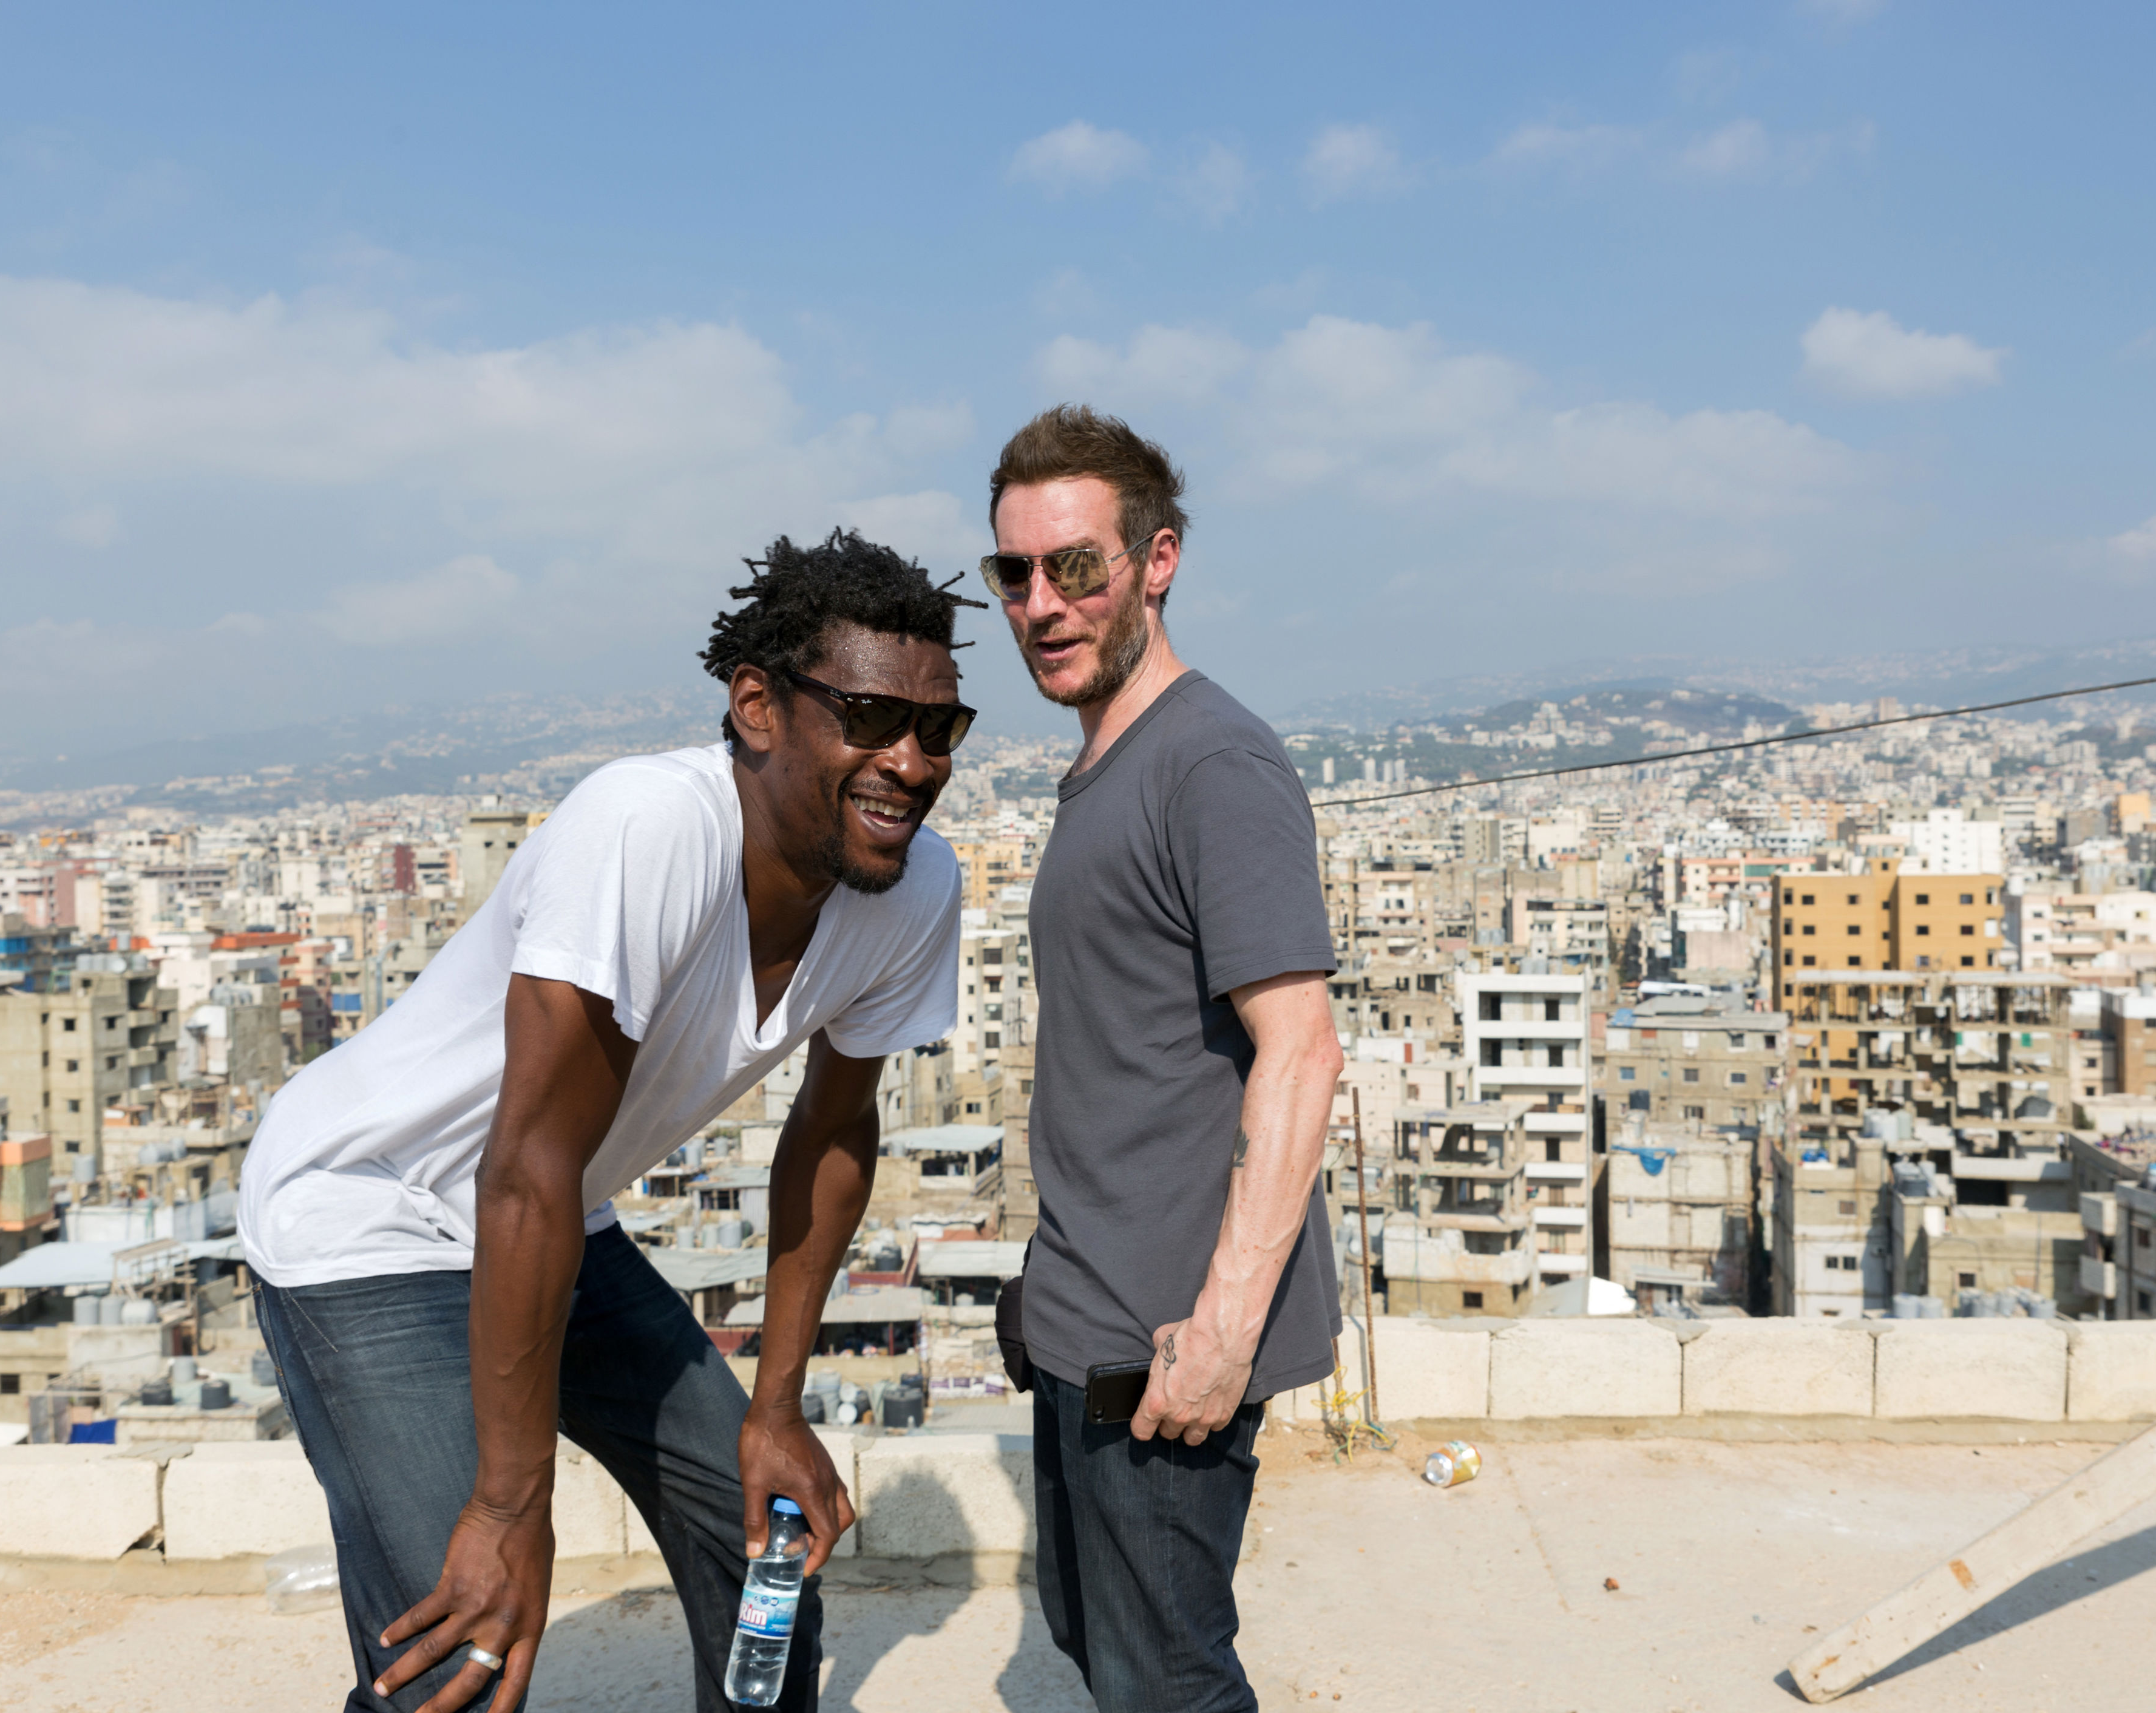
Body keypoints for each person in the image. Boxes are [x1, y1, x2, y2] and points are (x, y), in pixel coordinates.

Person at [240, 529, 982, 1713]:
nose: (910, 761)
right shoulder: (648, 828)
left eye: (937, 728)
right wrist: (508, 1504)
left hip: (551, 1219)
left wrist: (776, 1407)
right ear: (756, 706)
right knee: (461, 1644)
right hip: (367, 1211)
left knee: (763, 1545)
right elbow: (525, 1165)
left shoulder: (914, 886)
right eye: (869, 718)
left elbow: (833, 1133)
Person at [985, 406, 1346, 1711]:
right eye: (1014, 572)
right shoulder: (1112, 763)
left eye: (1076, 564)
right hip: (1091, 1318)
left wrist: (1224, 1331)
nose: (1042, 603)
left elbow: (1301, 1049)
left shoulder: (1210, 760)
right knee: (1103, 1646)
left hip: (1165, 1345)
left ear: (1157, 560)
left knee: (1166, 1684)